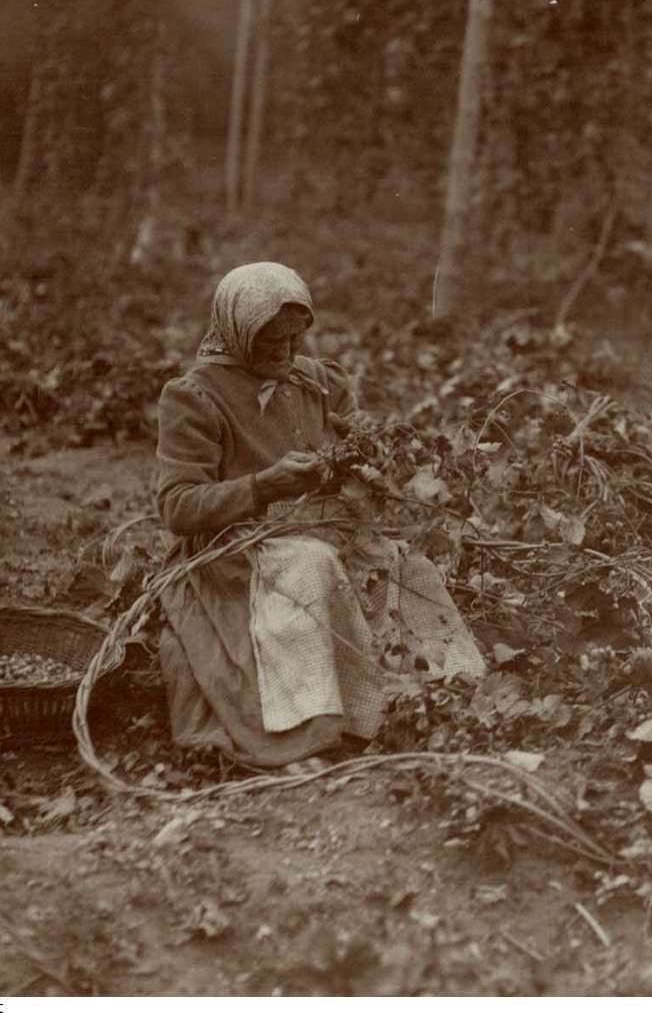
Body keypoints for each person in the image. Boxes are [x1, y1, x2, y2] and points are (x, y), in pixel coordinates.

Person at [154, 261, 485, 773]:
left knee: (405, 562)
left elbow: (355, 443)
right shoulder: (195, 397)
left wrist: (371, 462)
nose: (287, 354)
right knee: (311, 565)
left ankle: (440, 692)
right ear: (238, 333)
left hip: (322, 524)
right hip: (240, 547)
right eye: (271, 343)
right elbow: (177, 506)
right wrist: (264, 486)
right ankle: (308, 732)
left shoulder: (316, 381)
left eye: (295, 340)